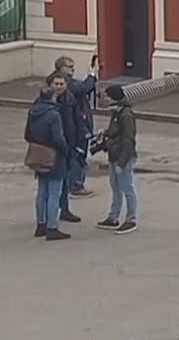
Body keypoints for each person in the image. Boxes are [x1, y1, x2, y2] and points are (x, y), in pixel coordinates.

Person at [25, 73, 72, 240]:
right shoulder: (54, 114)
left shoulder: (33, 111)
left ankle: (41, 224)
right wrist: (65, 150)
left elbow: (27, 134)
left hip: (38, 155)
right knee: (54, 193)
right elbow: (58, 138)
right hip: (54, 156)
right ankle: (52, 227)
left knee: (42, 192)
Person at [95, 84, 138, 234]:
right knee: (115, 187)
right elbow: (116, 132)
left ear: (113, 97)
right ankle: (113, 217)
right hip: (114, 155)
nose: (104, 99)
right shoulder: (116, 113)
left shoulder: (126, 115)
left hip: (121, 157)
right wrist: (105, 132)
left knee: (127, 187)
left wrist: (122, 162)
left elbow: (128, 140)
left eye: (106, 96)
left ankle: (131, 219)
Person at [55, 56, 98, 197]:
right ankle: (76, 185)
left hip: (79, 125)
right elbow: (84, 88)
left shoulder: (68, 83)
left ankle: (74, 184)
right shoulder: (67, 84)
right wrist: (92, 74)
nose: (72, 68)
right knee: (78, 156)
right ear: (61, 68)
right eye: (69, 66)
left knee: (78, 155)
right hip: (77, 127)